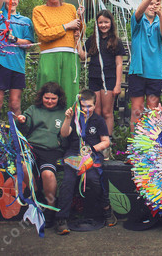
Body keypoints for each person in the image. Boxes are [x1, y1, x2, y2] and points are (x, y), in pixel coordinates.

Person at [55, 89, 114, 235]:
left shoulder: (98, 120)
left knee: (95, 179)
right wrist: (67, 119)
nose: (86, 109)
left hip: (92, 156)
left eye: (89, 106)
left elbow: (106, 141)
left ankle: (106, 210)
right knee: (68, 181)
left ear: (95, 105)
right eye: (83, 106)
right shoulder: (74, 117)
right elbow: (64, 134)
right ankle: (62, 219)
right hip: (73, 155)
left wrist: (91, 149)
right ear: (78, 105)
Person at [16, 82, 67, 226]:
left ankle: (50, 207)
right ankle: (36, 196)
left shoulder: (63, 113)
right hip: (33, 147)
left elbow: (66, 136)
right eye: (47, 98)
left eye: (53, 98)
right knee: (24, 167)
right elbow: (24, 129)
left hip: (52, 150)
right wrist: (22, 121)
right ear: (41, 97)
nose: (49, 101)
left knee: (48, 174)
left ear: (59, 98)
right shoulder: (33, 110)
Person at [32, 0, 83, 107]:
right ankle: (45, 119)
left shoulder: (71, 8)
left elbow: (79, 32)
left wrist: (81, 18)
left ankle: (69, 120)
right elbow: (43, 34)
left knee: (70, 93)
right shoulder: (38, 10)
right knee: (48, 93)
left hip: (70, 55)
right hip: (49, 55)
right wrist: (66, 26)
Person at [127, 0, 162, 132]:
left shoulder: (159, 21)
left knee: (153, 113)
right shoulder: (137, 21)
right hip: (137, 73)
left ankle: (151, 143)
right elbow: (139, 10)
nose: (152, 6)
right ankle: (134, 144)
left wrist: (161, 14)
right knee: (137, 111)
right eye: (149, 3)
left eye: (155, 3)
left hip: (154, 74)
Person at [77, 10, 126, 136]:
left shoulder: (116, 41)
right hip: (94, 78)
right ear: (97, 24)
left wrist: (117, 85)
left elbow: (119, 64)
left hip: (109, 79)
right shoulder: (93, 40)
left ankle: (107, 139)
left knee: (107, 112)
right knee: (96, 111)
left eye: (106, 22)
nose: (103, 25)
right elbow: (83, 56)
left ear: (111, 23)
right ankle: (95, 138)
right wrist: (77, 41)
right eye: (100, 22)